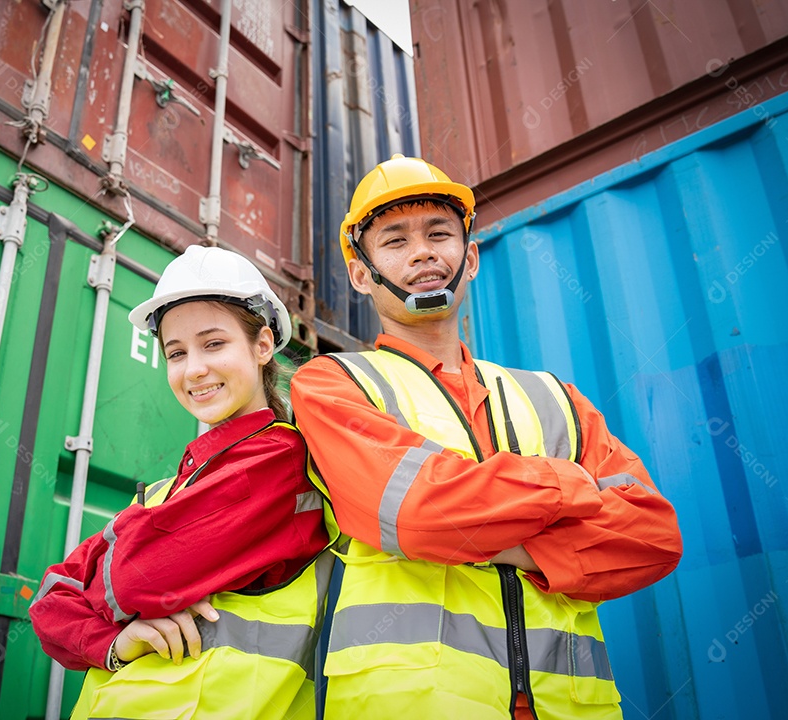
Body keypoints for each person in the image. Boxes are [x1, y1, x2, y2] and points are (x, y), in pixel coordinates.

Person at [291, 154, 683, 719]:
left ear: (469, 258)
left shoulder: (555, 398)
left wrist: (499, 543)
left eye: (439, 233)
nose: (423, 251)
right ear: (361, 273)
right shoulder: (333, 383)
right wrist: (567, 486)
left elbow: (652, 536)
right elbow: (417, 513)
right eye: (395, 240)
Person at [30, 245, 336, 719]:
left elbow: (133, 579)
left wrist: (103, 592)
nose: (194, 369)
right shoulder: (169, 488)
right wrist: (114, 641)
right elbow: (48, 601)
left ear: (262, 345)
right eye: (176, 353)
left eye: (214, 344)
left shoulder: (280, 461)